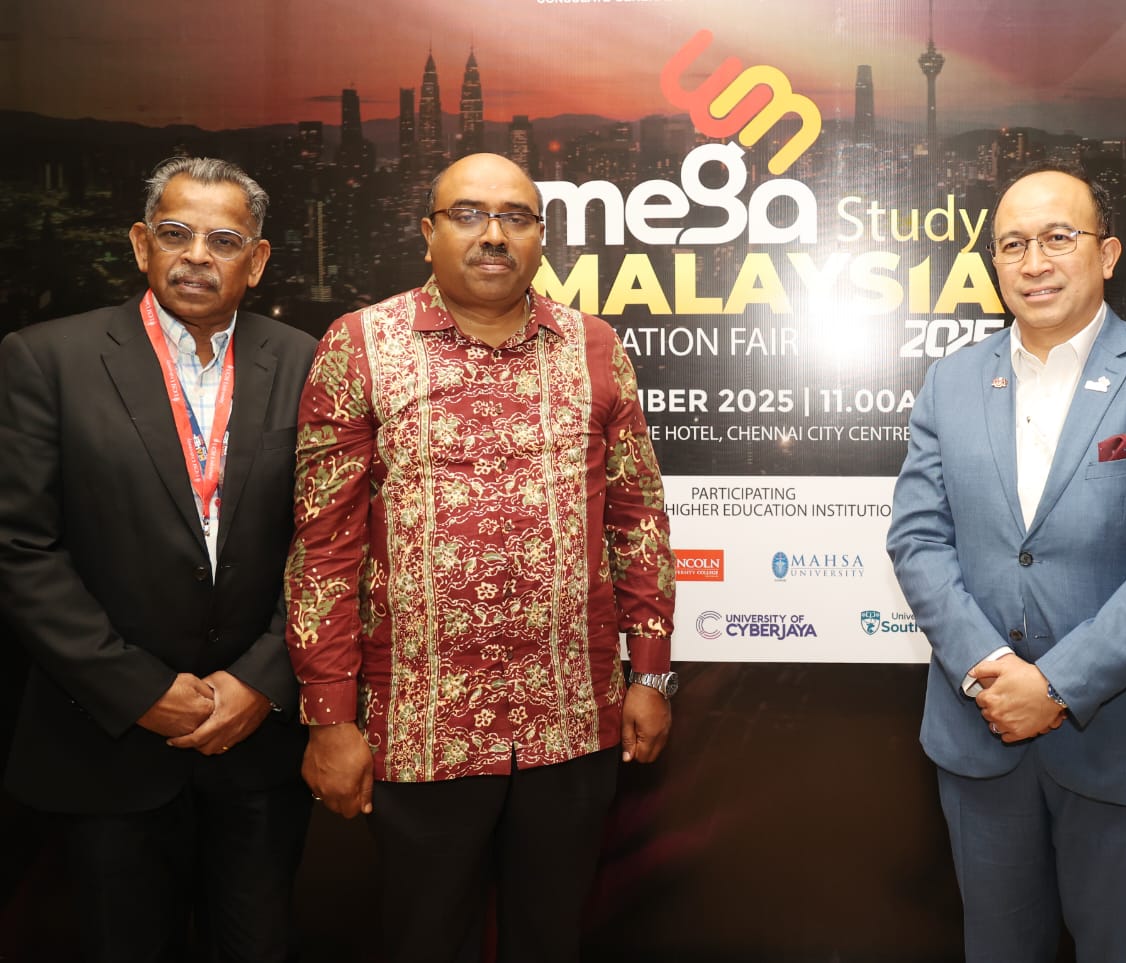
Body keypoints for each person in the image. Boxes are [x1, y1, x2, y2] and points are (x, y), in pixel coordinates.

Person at [286, 152, 676, 963]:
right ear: (427, 233)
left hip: (572, 721)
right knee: (428, 942)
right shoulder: (359, 345)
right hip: (419, 730)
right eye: (468, 214)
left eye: (515, 217)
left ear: (540, 237)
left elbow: (638, 517)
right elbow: (323, 546)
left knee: (552, 940)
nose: (492, 234)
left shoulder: (595, 346)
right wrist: (329, 716)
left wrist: (650, 673)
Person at [887, 163, 1126, 963]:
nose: (1034, 262)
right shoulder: (951, 381)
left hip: (1124, 744)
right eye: (1013, 244)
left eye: (1057, 238)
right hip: (981, 740)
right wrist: (990, 668)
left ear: (1107, 253)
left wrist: (1054, 686)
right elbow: (917, 539)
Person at [0, 156, 316, 962]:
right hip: (107, 746)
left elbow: (330, 542)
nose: (197, 256)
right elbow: (21, 548)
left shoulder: (309, 361)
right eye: (176, 234)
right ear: (142, 244)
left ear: (258, 259)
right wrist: (139, 689)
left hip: (258, 747)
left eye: (224, 240)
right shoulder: (46, 358)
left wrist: (263, 678)